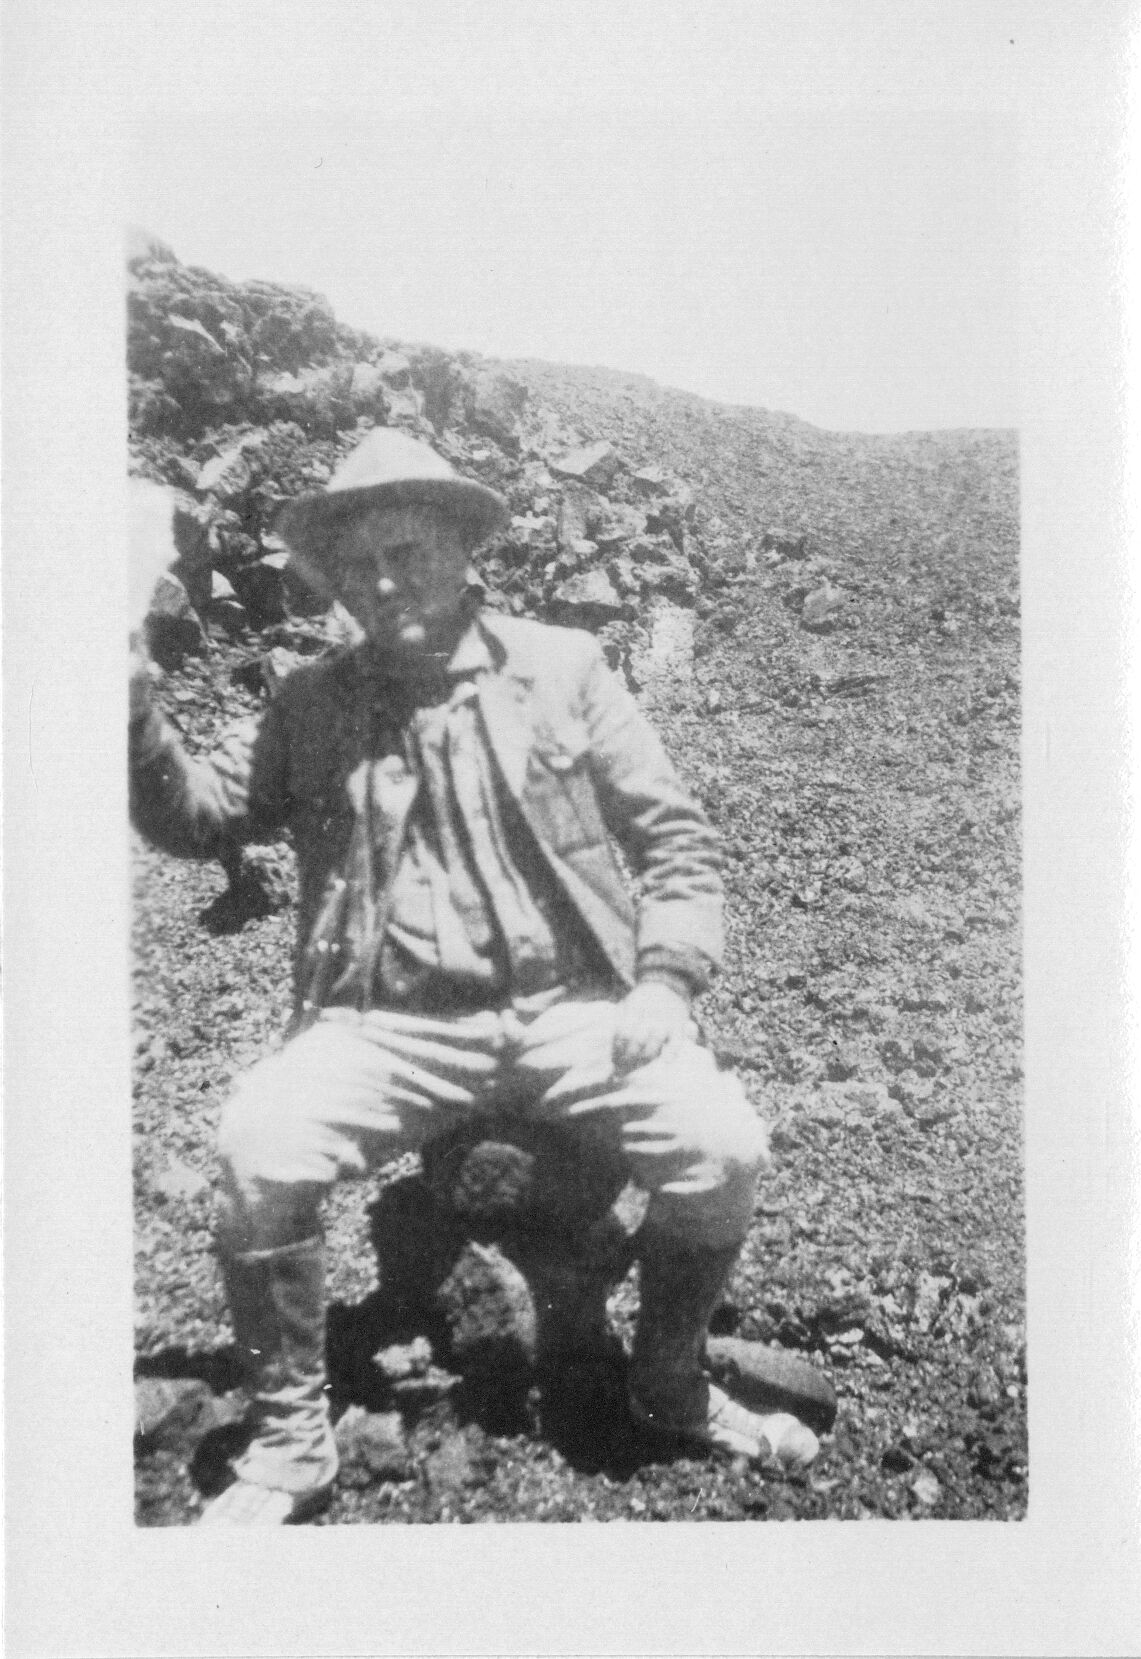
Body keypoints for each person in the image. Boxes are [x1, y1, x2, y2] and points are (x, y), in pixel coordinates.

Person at [129, 429, 820, 1525]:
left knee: (722, 1144)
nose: (382, 581)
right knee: (258, 1147)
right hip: (382, 1027)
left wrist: (664, 985)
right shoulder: (307, 702)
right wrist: (130, 711)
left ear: (461, 547)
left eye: (406, 551)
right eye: (356, 566)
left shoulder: (565, 669)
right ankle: (289, 1442)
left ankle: (669, 1383)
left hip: (569, 1014)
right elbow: (203, 817)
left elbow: (677, 841)